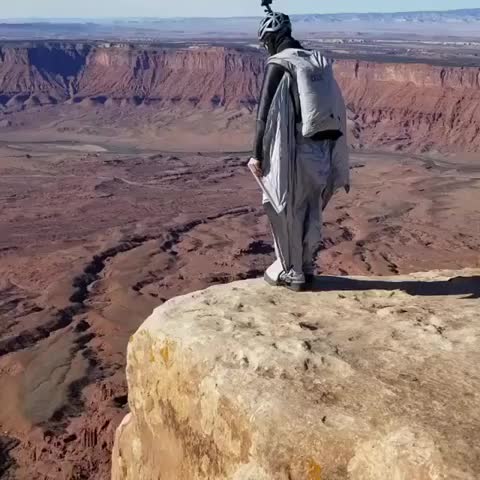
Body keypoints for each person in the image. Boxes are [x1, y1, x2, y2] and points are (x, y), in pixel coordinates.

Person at [249, 11, 350, 292]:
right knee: (312, 209)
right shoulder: (314, 61)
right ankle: (307, 265)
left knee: (285, 208)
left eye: (266, 40)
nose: (266, 46)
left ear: (271, 37)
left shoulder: (280, 64)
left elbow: (263, 115)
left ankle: (291, 271)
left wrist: (257, 154)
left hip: (296, 152)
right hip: (323, 152)